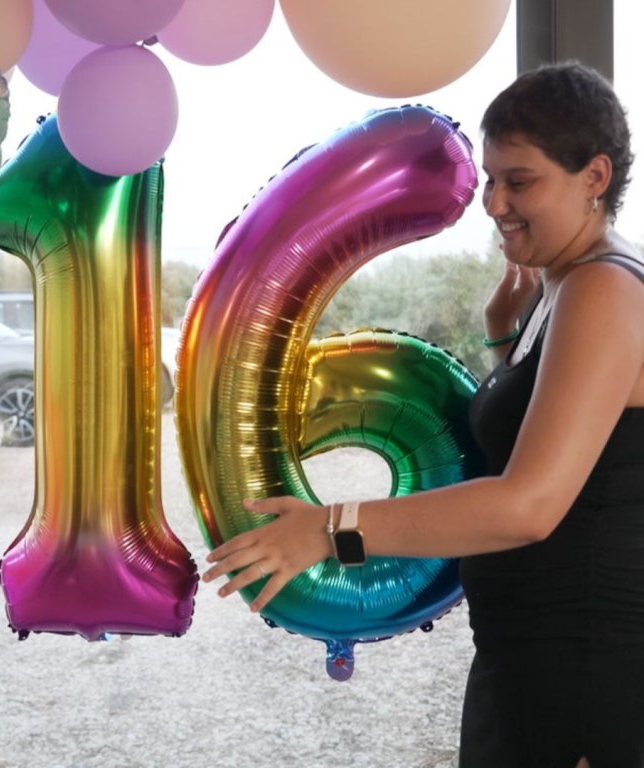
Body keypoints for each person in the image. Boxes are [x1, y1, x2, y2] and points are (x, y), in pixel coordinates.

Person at [202, 62, 644, 767]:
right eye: (490, 179)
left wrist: (329, 529)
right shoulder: (565, 285)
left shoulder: (603, 288)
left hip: (582, 677)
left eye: (520, 181)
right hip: (533, 663)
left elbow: (530, 505)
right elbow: (573, 438)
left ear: (594, 176)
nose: (495, 203)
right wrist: (504, 341)